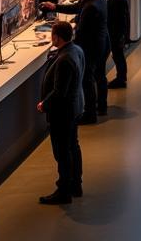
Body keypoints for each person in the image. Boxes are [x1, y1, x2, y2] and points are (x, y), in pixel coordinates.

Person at [42, 0, 109, 123]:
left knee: (87, 80)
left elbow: (81, 33)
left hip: (91, 49)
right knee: (98, 76)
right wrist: (55, 7)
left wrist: (63, 47)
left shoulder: (90, 6)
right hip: (101, 45)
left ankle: (90, 114)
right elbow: (76, 8)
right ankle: (101, 106)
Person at [36, 20, 84, 205]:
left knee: (62, 152)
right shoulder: (76, 50)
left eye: (52, 35)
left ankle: (64, 191)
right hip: (75, 107)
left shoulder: (64, 59)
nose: (51, 38)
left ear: (57, 37)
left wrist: (43, 105)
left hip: (63, 113)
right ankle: (75, 184)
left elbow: (59, 92)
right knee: (73, 146)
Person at [97, 0, 130, 89]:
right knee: (117, 56)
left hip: (116, 33)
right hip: (115, 33)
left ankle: (121, 79)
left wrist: (122, 35)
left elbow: (120, 18)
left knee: (118, 56)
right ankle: (121, 78)